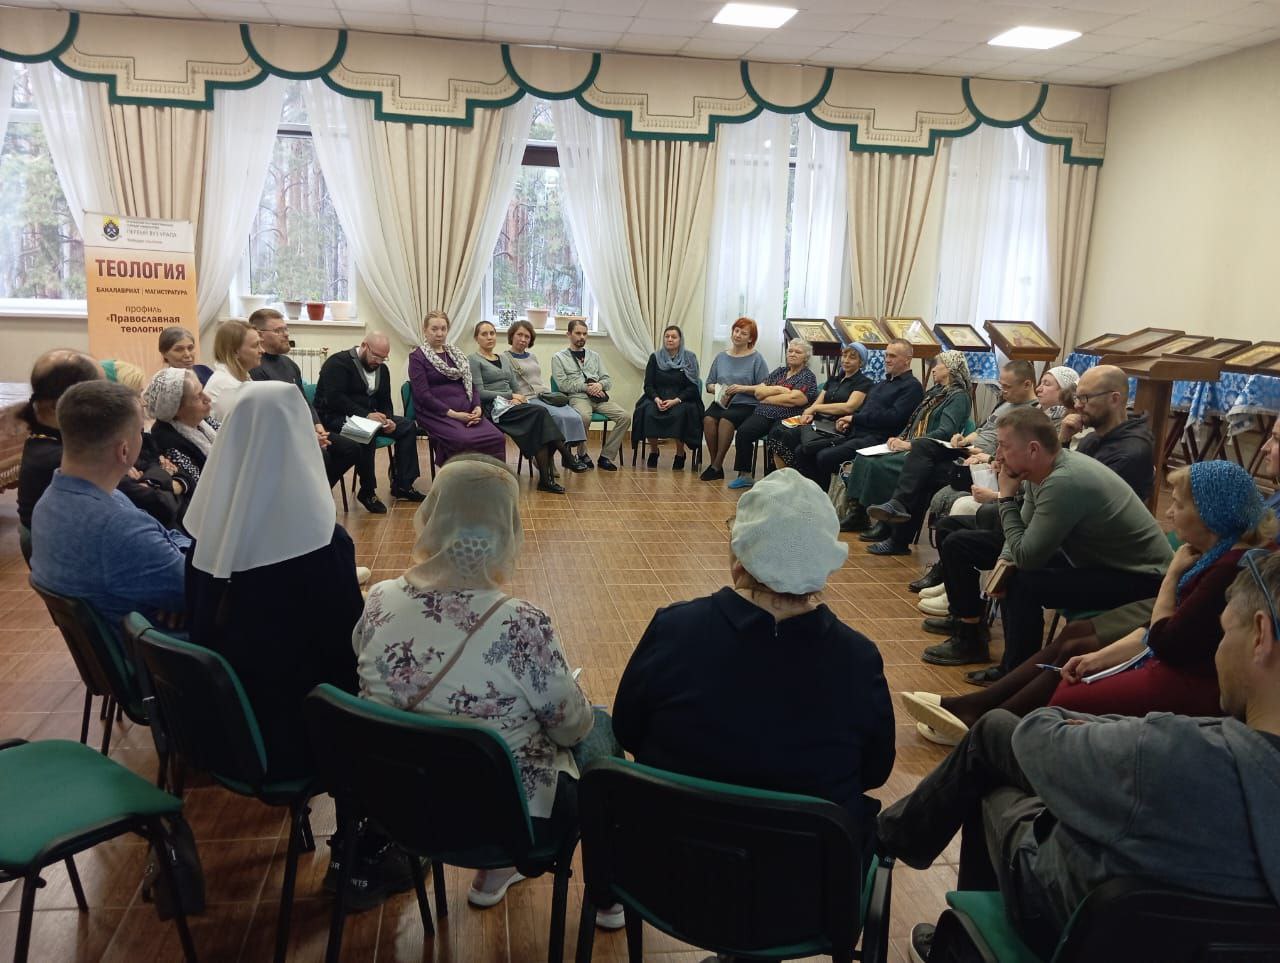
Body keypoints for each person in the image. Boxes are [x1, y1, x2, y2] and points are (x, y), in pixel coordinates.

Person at [881, 551, 1280, 961]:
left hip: (1078, 920)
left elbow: (1036, 738)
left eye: (1223, 633)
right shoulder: (1194, 752)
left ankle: (905, 874)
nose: (1218, 651)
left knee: (993, 755)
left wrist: (1093, 730)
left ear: (1260, 635)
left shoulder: (1176, 753)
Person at [353, 455, 623, 927]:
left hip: (400, 805)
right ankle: (608, 894)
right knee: (600, 728)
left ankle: (496, 874)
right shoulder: (521, 623)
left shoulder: (379, 599)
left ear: (432, 515)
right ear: (507, 529)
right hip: (506, 820)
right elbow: (571, 728)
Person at [613, 468, 894, 862]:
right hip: (802, 882)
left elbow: (627, 730)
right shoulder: (858, 659)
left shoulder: (675, 629)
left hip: (665, 868)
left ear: (739, 556)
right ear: (824, 565)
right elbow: (875, 771)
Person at [902, 460, 1277, 745]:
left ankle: (990, 726)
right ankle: (981, 709)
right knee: (1075, 639)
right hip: (1160, 639)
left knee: (1070, 674)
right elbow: (1159, 630)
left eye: (1178, 505)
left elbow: (1165, 639)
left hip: (1180, 668)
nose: (1168, 512)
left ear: (1210, 515)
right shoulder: (1215, 556)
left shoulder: (1226, 568)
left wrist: (1172, 576)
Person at [185, 382, 362, 775]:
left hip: (223, 725)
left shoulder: (207, 528)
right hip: (301, 737)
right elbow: (346, 644)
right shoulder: (323, 542)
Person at [922, 408, 1172, 675]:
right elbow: (1021, 535)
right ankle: (971, 636)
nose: (998, 455)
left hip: (1140, 579)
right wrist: (1004, 563)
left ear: (1033, 449)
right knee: (980, 555)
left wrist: (1006, 499)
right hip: (1095, 561)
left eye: (1004, 446)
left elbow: (1028, 557)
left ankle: (1016, 672)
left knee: (1022, 583)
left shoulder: (1063, 481)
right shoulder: (1040, 471)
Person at [28, 380, 188, 637]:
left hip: (138, 638)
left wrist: (180, 592)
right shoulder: (116, 525)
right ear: (124, 450)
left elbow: (168, 541)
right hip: (169, 651)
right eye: (140, 431)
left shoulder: (51, 501)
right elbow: (201, 588)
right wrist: (187, 597)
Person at [18, 351, 185, 563]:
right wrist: (172, 480)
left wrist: (152, 479)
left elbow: (145, 465)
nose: (108, 400)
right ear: (61, 403)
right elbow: (159, 507)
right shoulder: (69, 457)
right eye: (99, 392)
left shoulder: (59, 441)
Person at [863, 359, 1038, 554]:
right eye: (1002, 385)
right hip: (967, 451)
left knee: (924, 474)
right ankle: (897, 515)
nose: (1003, 391)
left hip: (985, 464)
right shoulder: (1006, 403)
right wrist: (964, 439)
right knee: (922, 446)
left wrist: (984, 456)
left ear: (1027, 384)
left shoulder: (1033, 413)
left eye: (1007, 387)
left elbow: (1012, 451)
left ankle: (898, 535)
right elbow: (981, 431)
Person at [844, 350, 973, 553]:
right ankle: (861, 515)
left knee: (883, 465)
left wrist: (910, 444)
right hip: (917, 445)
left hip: (933, 451)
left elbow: (945, 431)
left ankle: (887, 522)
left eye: (937, 365)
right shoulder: (935, 392)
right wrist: (900, 438)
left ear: (949, 369)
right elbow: (913, 422)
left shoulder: (959, 397)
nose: (933, 369)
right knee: (864, 458)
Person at [246, 308, 369, 494]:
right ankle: (310, 496)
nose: (286, 334)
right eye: (278, 330)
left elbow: (303, 400)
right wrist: (308, 435)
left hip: (305, 429)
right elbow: (273, 414)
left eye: (286, 328)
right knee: (322, 456)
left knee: (351, 448)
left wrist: (317, 425)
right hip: (282, 435)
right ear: (259, 334)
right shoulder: (256, 369)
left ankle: (318, 493)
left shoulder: (289, 364)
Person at [468, 319, 589, 493]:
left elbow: (514, 385)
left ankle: (546, 479)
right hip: (494, 408)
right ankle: (567, 457)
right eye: (484, 334)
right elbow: (479, 393)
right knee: (540, 412)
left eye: (492, 333)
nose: (489, 337)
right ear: (476, 338)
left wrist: (520, 398)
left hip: (512, 405)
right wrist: (511, 396)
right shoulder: (474, 359)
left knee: (538, 427)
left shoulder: (502, 358)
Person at [315, 332, 424, 513]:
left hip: (369, 417)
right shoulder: (337, 363)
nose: (379, 361)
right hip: (334, 417)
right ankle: (367, 491)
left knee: (406, 426)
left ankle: (403, 484)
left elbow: (385, 400)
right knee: (367, 431)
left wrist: (388, 419)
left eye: (383, 358)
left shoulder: (382, 369)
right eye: (376, 356)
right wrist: (366, 415)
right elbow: (335, 399)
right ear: (364, 346)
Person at [818, 338, 924, 495]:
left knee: (824, 457)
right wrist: (850, 421)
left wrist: (854, 419)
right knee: (807, 449)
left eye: (893, 356)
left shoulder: (912, 387)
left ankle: (830, 500)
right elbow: (864, 409)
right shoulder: (882, 384)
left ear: (907, 360)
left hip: (879, 439)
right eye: (886, 355)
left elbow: (893, 418)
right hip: (856, 433)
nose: (887, 360)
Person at [409, 310, 508, 468]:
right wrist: (454, 415)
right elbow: (423, 395)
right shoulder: (417, 357)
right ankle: (461, 479)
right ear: (425, 330)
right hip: (436, 413)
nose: (439, 333)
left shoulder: (456, 355)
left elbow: (471, 385)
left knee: (497, 437)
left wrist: (477, 407)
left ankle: (490, 479)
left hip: (466, 411)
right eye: (434, 329)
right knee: (464, 440)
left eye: (443, 329)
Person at [724, 338, 820, 490]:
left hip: (788, 416)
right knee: (743, 432)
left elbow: (796, 399)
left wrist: (767, 397)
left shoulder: (807, 376)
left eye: (798, 352)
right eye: (790, 351)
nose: (792, 354)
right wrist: (780, 390)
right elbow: (759, 392)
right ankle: (745, 475)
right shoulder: (780, 372)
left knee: (777, 436)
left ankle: (775, 478)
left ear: (805, 357)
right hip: (764, 413)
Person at [766, 343, 873, 474]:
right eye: (844, 356)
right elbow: (817, 402)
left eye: (852, 357)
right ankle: (786, 476)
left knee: (794, 442)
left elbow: (848, 407)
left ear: (861, 362)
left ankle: (796, 476)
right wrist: (809, 413)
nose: (846, 360)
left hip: (838, 426)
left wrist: (814, 408)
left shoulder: (864, 382)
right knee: (778, 433)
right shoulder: (833, 380)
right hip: (818, 422)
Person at [1059, 363, 1154, 500]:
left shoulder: (1129, 455)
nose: (1077, 405)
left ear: (1114, 399)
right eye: (1077, 398)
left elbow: (1075, 498)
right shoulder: (1092, 438)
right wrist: (1064, 440)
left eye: (1085, 398)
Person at [551, 318, 631, 471]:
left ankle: (606, 456)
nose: (582, 337)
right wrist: (586, 387)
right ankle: (582, 454)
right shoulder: (559, 358)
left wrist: (600, 385)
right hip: (578, 397)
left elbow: (607, 380)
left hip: (599, 397)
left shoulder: (594, 356)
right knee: (584, 417)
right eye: (578, 333)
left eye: (585, 334)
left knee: (625, 417)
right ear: (568, 334)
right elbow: (562, 384)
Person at [502, 319, 590, 457]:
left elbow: (537, 379)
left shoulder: (532, 356)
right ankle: (549, 457)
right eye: (519, 335)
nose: (523, 339)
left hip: (543, 396)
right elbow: (503, 384)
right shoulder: (504, 358)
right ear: (512, 335)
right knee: (557, 417)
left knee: (573, 415)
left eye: (527, 336)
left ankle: (560, 453)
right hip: (527, 399)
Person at [700, 317, 770, 481]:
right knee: (708, 419)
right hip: (723, 401)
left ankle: (716, 466)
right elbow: (709, 384)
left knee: (726, 420)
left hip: (746, 404)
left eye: (743, 333)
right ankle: (715, 464)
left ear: (750, 339)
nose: (738, 335)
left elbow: (765, 387)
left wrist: (742, 388)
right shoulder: (721, 357)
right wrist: (718, 389)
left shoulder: (757, 359)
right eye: (736, 331)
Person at [632, 325, 703, 470]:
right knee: (648, 412)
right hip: (658, 397)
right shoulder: (655, 357)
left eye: (674, 337)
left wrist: (676, 401)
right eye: (667, 336)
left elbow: (692, 387)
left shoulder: (689, 358)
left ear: (680, 340)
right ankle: (654, 451)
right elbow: (648, 385)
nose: (670, 339)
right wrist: (656, 399)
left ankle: (680, 453)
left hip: (681, 398)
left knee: (680, 414)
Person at [144, 367, 219, 501]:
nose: (207, 398)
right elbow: (198, 485)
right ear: (176, 408)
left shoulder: (203, 420)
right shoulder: (167, 441)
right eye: (198, 396)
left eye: (203, 390)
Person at [203, 320, 263, 423]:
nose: (262, 350)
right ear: (235, 351)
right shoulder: (226, 386)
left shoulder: (240, 376)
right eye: (255, 346)